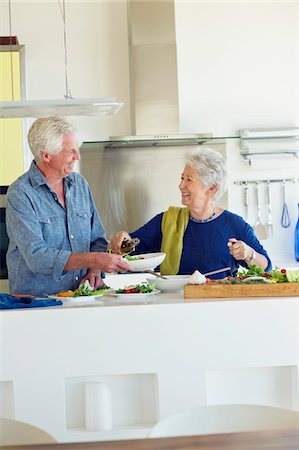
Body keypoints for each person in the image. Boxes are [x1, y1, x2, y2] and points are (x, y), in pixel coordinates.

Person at [6, 117, 132, 295]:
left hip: (81, 297)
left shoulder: (79, 184)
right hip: (37, 303)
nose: (77, 156)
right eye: (70, 151)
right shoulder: (21, 194)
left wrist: (94, 270)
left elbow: (97, 239)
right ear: (46, 155)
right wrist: (95, 260)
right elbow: (37, 257)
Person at [110, 147, 272, 278]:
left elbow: (267, 268)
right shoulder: (168, 221)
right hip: (176, 306)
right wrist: (123, 239)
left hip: (220, 306)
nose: (181, 185)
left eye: (188, 180)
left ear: (211, 188)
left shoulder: (234, 224)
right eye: (182, 178)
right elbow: (133, 247)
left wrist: (249, 254)